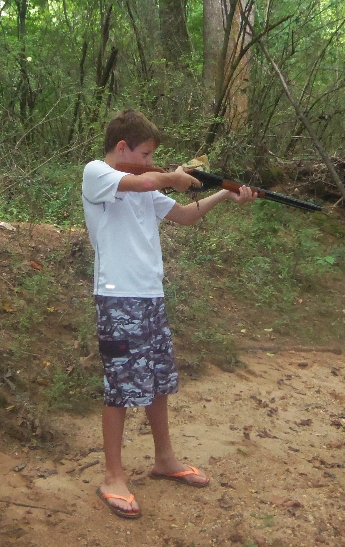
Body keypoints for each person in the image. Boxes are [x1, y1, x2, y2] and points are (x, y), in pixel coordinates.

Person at [82, 109, 258, 518]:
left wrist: (225, 193)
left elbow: (184, 215)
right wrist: (172, 177)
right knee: (119, 387)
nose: (150, 162)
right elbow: (145, 180)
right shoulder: (97, 173)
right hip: (118, 297)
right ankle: (112, 476)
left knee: (159, 381)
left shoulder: (146, 186)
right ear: (122, 147)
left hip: (150, 295)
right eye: (146, 154)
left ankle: (165, 459)